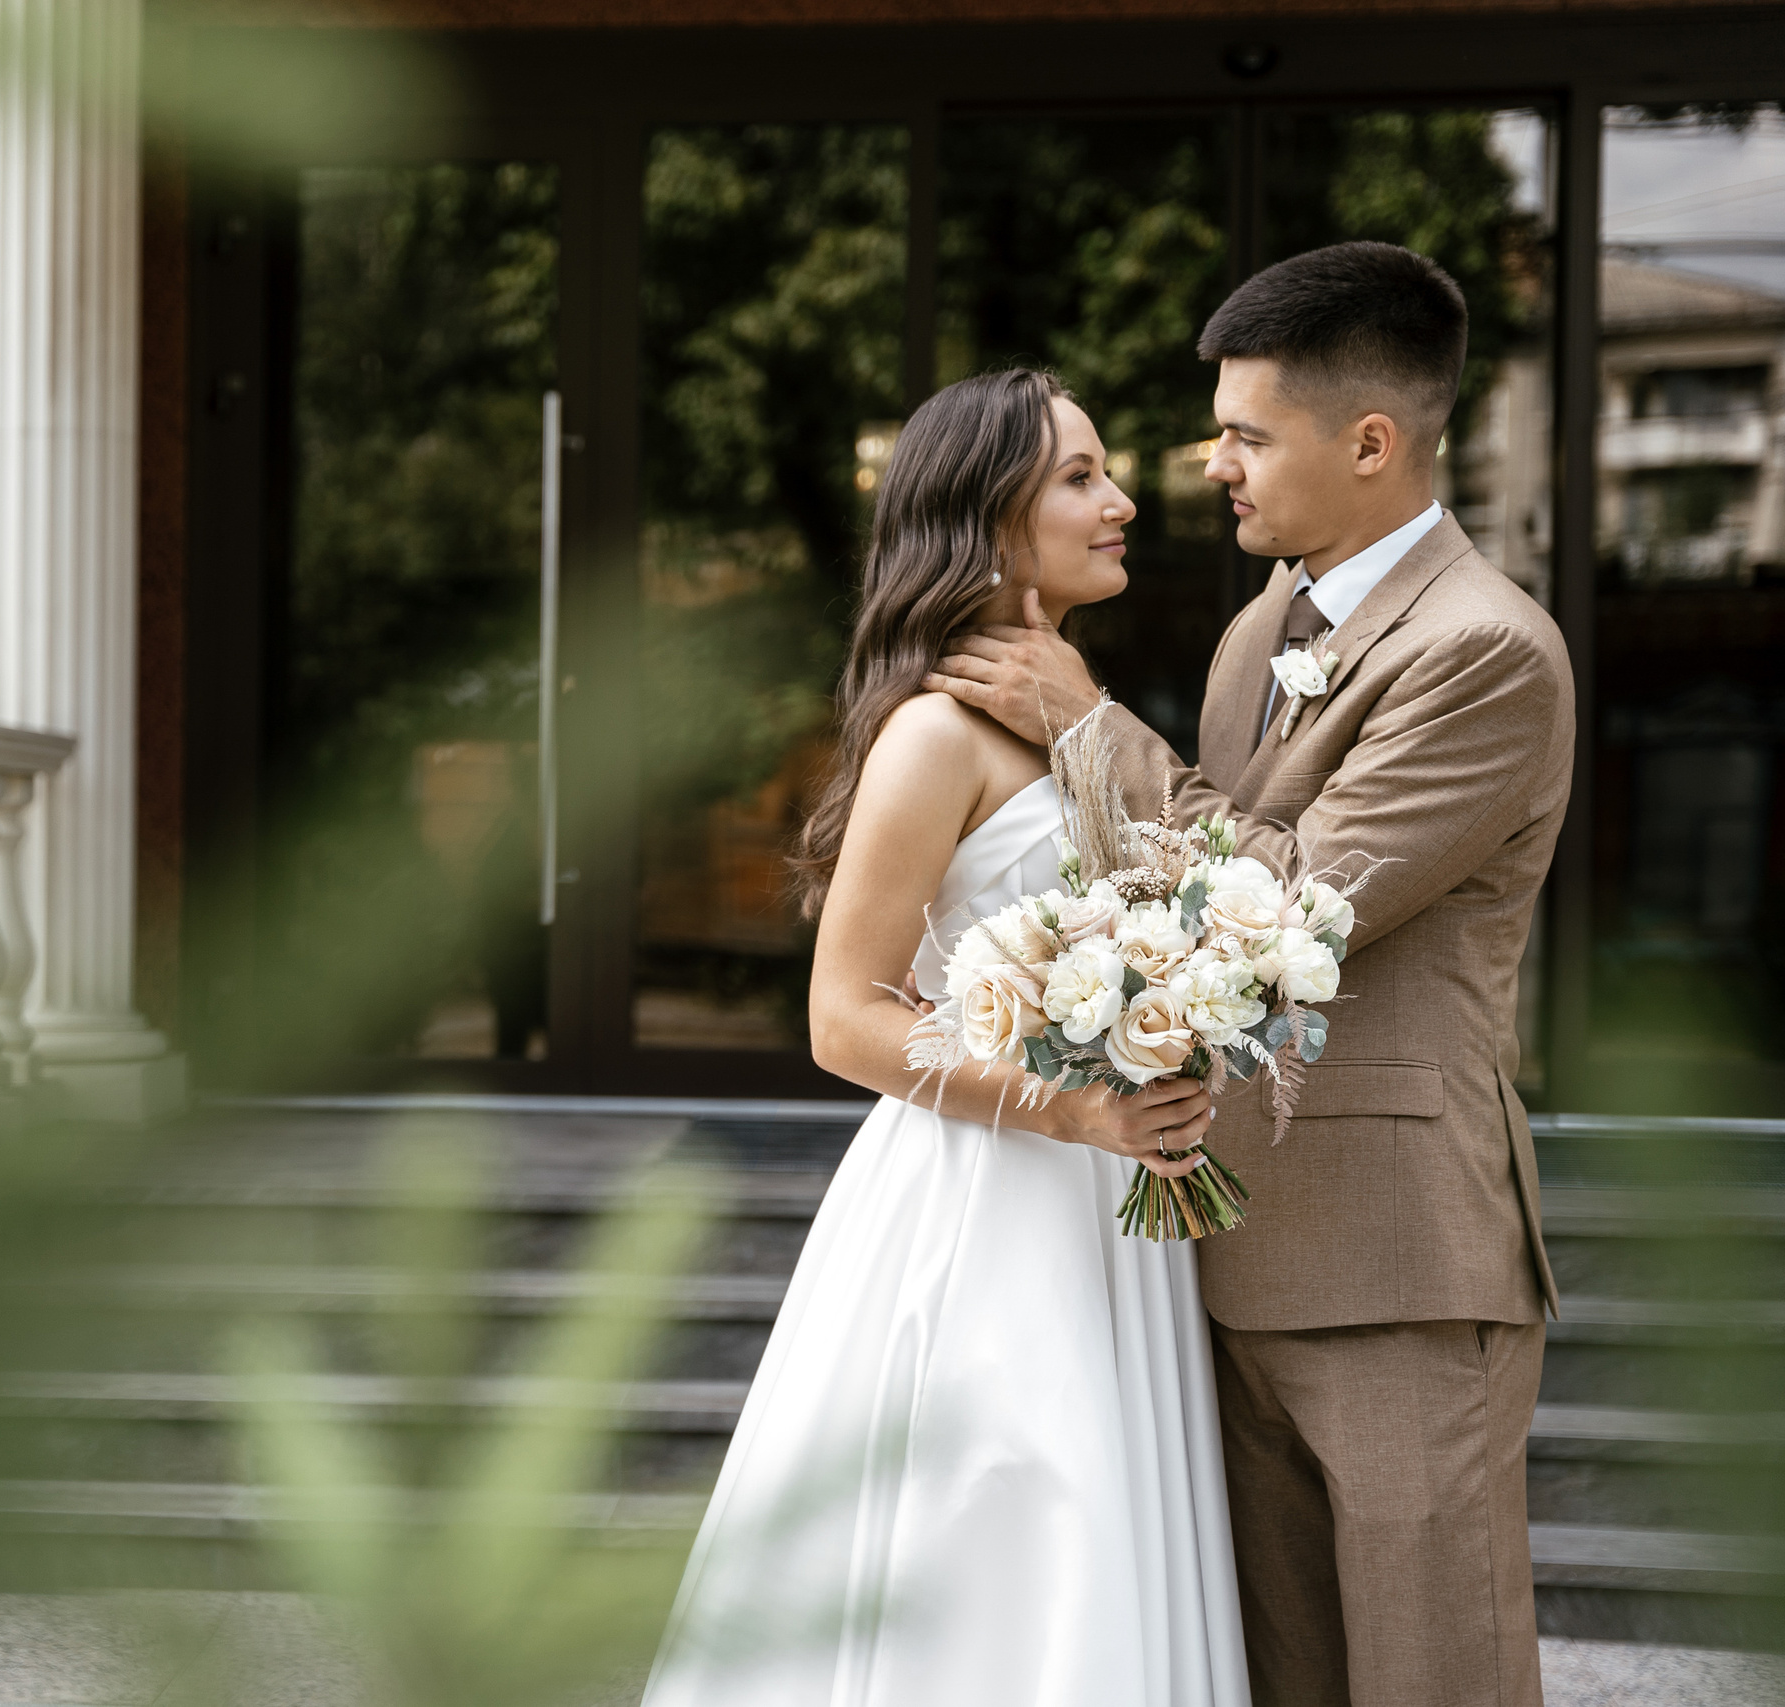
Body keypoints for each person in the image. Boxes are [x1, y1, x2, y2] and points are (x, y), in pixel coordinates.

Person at [927, 242, 1568, 1707]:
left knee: (1430, 1674)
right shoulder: (1256, 634)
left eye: (1245, 434)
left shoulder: (1487, 653)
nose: (1211, 465)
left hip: (1403, 1259)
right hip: (1228, 1253)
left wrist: (1092, 731)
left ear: (1368, 442)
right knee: (1284, 1676)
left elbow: (1282, 910)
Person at [638, 367, 1252, 1707]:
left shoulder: (1076, 711)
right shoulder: (935, 731)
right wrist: (1073, 1110)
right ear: (988, 515)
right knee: (1011, 1529)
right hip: (989, 1205)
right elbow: (843, 1016)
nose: (1123, 501)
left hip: (1114, 1207)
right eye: (1081, 478)